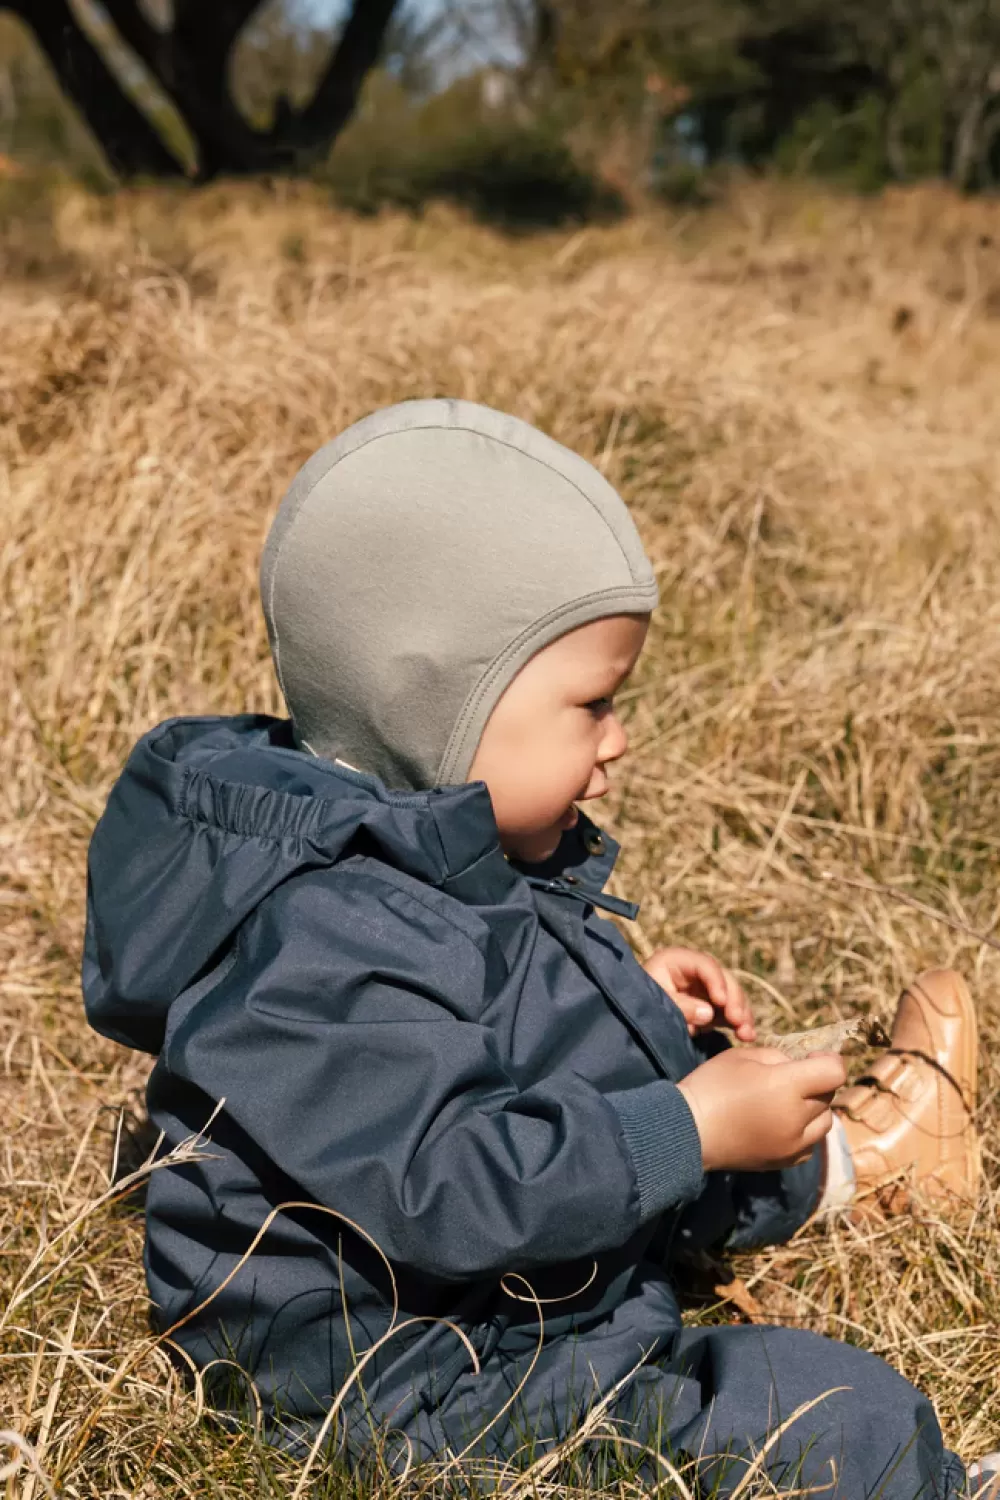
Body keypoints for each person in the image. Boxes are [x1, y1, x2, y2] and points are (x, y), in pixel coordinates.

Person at [83, 400, 992, 1496]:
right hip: (407, 1384)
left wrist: (633, 1004)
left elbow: (473, 1015)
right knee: (825, 1416)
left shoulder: (398, 851)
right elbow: (451, 1185)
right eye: (593, 702)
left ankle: (846, 1165)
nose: (619, 741)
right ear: (440, 700)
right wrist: (691, 1124)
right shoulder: (313, 937)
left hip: (463, 1315)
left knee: (654, 1096)